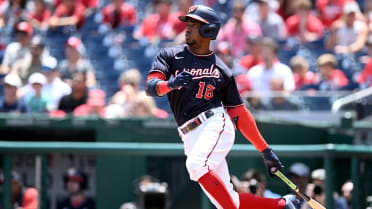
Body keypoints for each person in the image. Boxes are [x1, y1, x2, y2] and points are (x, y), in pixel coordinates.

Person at [145, 5, 297, 209]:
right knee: (227, 202)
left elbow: (239, 113)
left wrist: (265, 150)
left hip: (214, 123)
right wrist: (170, 84)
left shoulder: (222, 70)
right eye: (187, 24)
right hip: (189, 134)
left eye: (194, 25)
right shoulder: (171, 55)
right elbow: (150, 87)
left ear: (209, 30)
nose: (187, 28)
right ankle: (282, 205)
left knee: (196, 166)